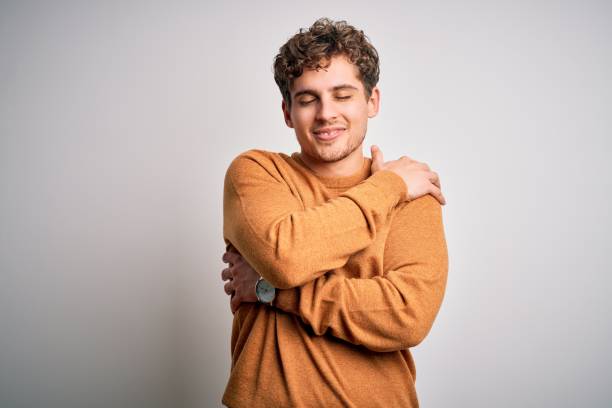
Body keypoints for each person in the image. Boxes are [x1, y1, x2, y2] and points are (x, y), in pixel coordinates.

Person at [220, 17, 448, 408]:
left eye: (343, 95)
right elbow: (285, 257)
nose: (326, 114)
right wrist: (387, 188)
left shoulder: (415, 194)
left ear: (371, 101)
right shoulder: (256, 172)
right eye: (308, 99)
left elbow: (406, 316)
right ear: (288, 112)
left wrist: (271, 292)